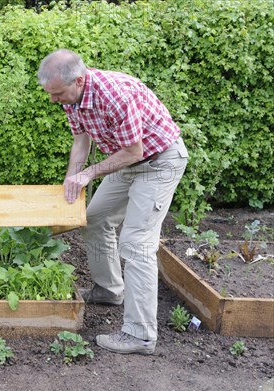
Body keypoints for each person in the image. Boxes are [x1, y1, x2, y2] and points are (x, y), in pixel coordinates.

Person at [37, 49, 188, 355]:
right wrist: (72, 178)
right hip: (128, 164)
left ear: (78, 80)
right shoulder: (73, 98)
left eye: (57, 94)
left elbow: (134, 151)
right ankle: (108, 291)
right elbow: (81, 140)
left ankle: (140, 335)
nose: (53, 100)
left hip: (158, 161)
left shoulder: (114, 94)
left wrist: (90, 173)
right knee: (95, 219)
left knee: (136, 244)